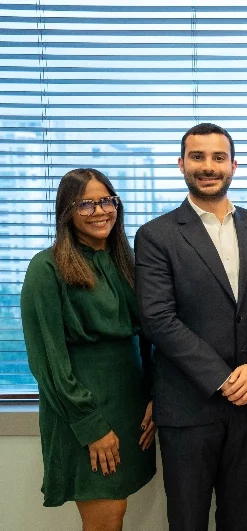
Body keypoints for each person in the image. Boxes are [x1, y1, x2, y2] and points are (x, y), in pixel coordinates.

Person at [135, 123, 247, 531]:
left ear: (233, 165)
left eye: (218, 157)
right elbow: (157, 319)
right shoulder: (155, 235)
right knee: (187, 520)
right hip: (187, 407)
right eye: (197, 157)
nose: (208, 166)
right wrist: (221, 378)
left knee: (242, 519)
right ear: (181, 164)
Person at [21, 168, 156, 530]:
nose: (100, 211)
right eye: (86, 203)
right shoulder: (45, 268)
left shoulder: (125, 262)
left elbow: (151, 337)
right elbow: (47, 360)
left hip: (131, 410)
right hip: (84, 412)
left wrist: (155, 396)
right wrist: (90, 426)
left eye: (107, 200)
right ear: (67, 210)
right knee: (105, 520)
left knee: (118, 512)